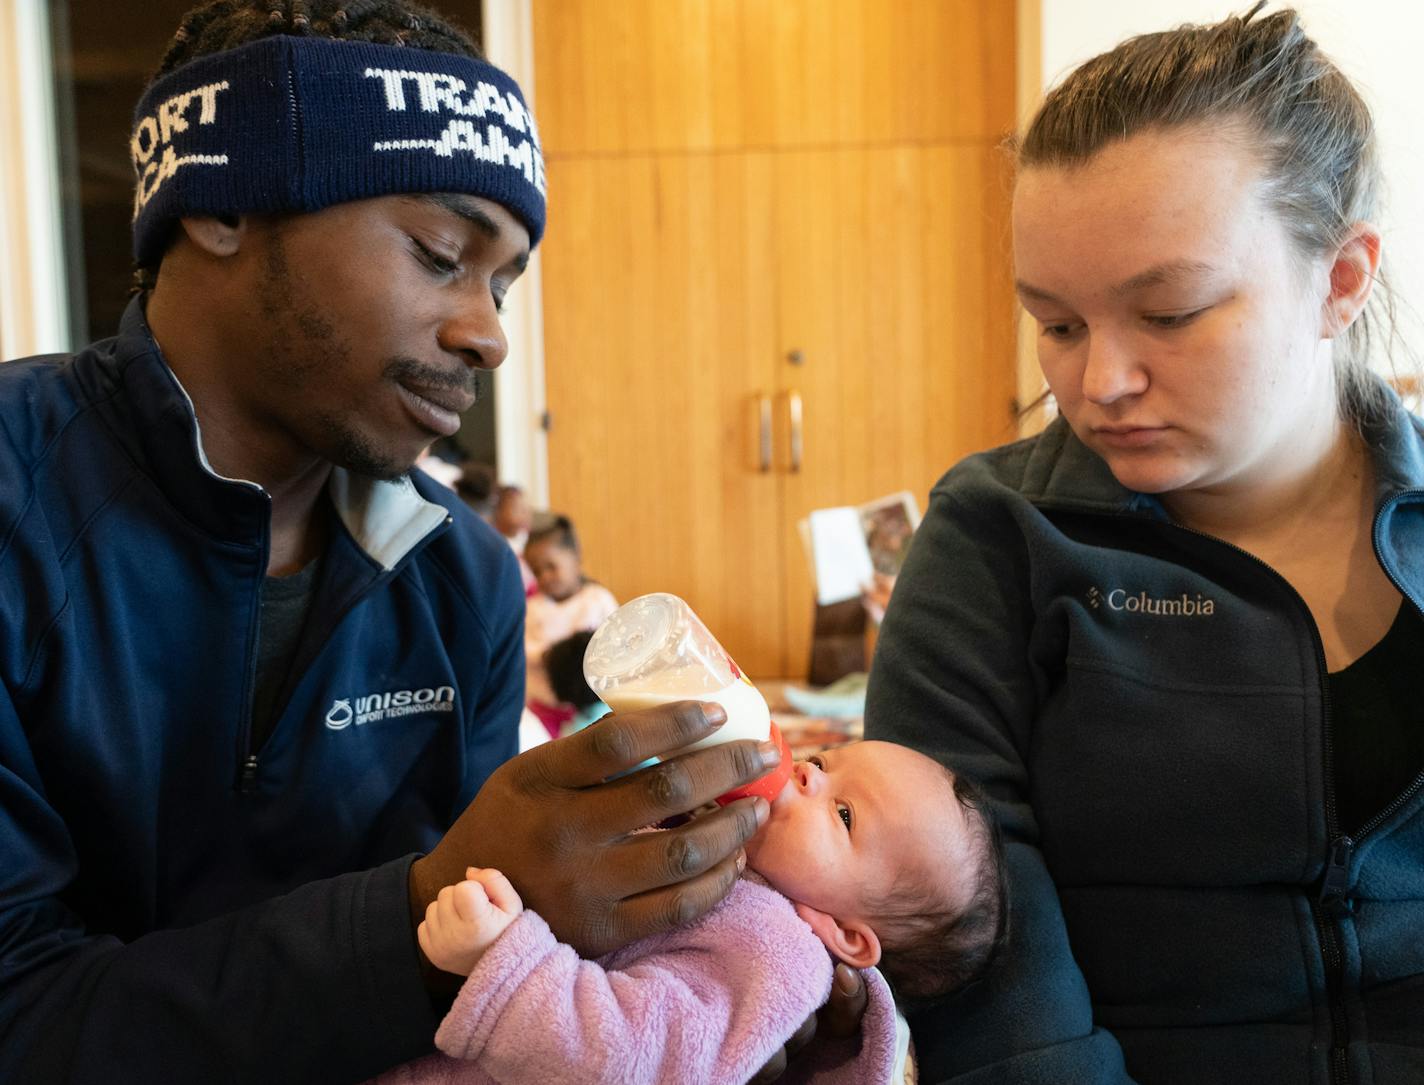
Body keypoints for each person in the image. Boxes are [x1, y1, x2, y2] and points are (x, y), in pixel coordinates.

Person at [0, 4, 805, 1082]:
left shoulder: (461, 579)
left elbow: (496, 999)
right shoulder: (15, 503)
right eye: (440, 254)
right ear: (225, 202)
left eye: (502, 280)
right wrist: (423, 909)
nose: (488, 331)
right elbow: (20, 1012)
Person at [865, 5, 1424, 1082]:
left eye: (1166, 313)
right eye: (1057, 323)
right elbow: (968, 954)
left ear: (1340, 279)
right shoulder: (996, 537)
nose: (1098, 383)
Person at [377, 741, 1006, 1085]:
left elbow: (628, 1060)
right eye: (822, 761)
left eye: (845, 815)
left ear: (844, 935)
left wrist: (504, 962)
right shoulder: (732, 860)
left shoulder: (777, 951)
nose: (808, 776)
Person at [523, 515, 619, 734]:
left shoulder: (597, 599)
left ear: (575, 557)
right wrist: (550, 655)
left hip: (595, 703)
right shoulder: (532, 608)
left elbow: (617, 642)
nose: (545, 576)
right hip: (546, 708)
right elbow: (524, 648)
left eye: (551, 567)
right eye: (537, 571)